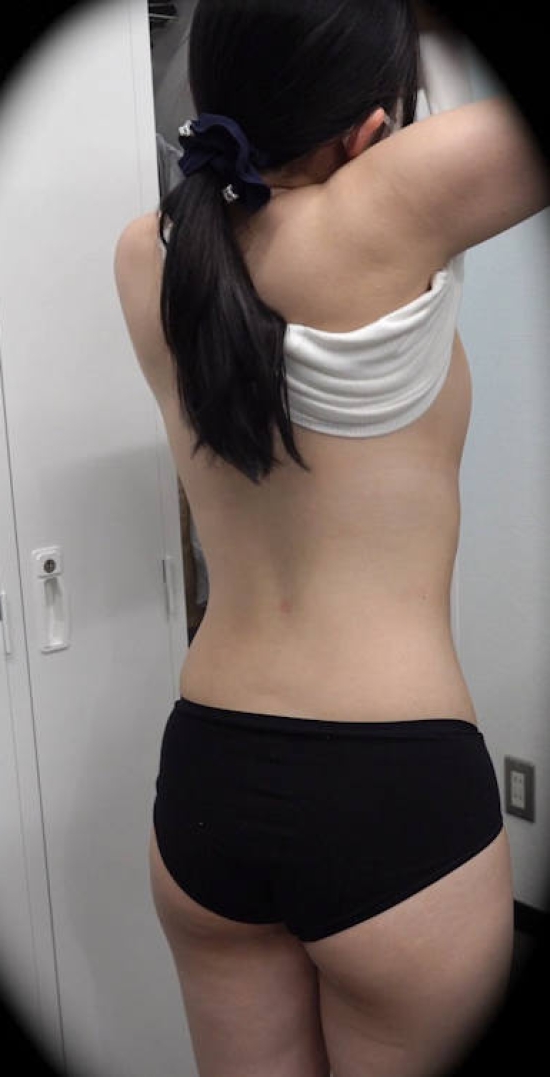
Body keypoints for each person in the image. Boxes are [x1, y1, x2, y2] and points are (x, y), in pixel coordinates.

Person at [114, 2, 549, 1074]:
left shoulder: (146, 253)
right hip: (389, 788)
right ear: (369, 125)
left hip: (207, 778)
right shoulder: (390, 208)